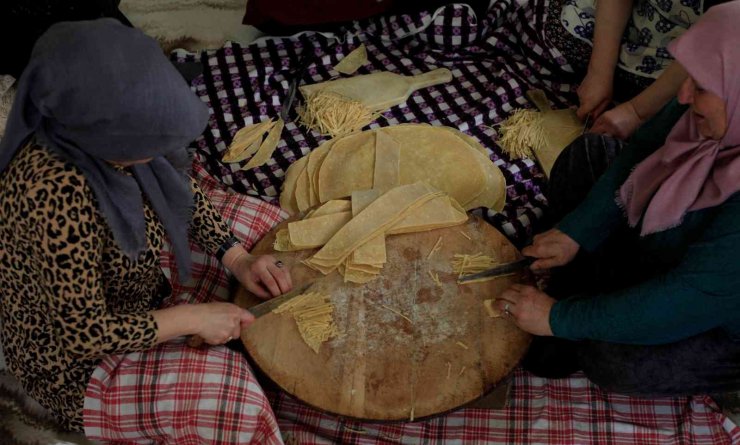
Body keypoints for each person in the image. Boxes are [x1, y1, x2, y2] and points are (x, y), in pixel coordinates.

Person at [0, 19, 292, 442]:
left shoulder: (108, 135)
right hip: (75, 365)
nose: (158, 155)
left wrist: (238, 258)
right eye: (147, 146)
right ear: (109, 139)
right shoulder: (52, 195)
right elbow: (85, 333)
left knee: (266, 230)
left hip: (136, 279)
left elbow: (181, 188)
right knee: (233, 397)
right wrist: (191, 318)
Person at [499, 2, 740, 396]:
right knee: (588, 154)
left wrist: (561, 320)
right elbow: (641, 150)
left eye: (701, 86)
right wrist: (576, 232)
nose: (682, 95)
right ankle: (593, 291)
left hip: (714, 311)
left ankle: (593, 307)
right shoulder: (705, 109)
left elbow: (687, 296)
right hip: (672, 254)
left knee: (613, 361)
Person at [546, 0, 727, 139]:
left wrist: (635, 113)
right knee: (553, 27)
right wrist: (599, 72)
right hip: (644, 19)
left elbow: (710, 43)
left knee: (682, 114)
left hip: (686, 59)